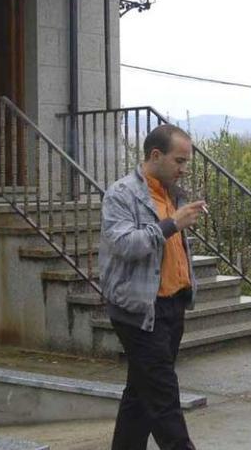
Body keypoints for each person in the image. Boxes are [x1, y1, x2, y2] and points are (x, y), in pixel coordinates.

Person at [100, 124, 203, 450]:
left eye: (186, 162)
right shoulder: (122, 194)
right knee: (163, 397)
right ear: (155, 155)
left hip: (172, 305)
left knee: (141, 392)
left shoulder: (172, 193)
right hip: (139, 309)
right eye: (179, 161)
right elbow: (125, 244)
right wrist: (172, 224)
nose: (184, 170)